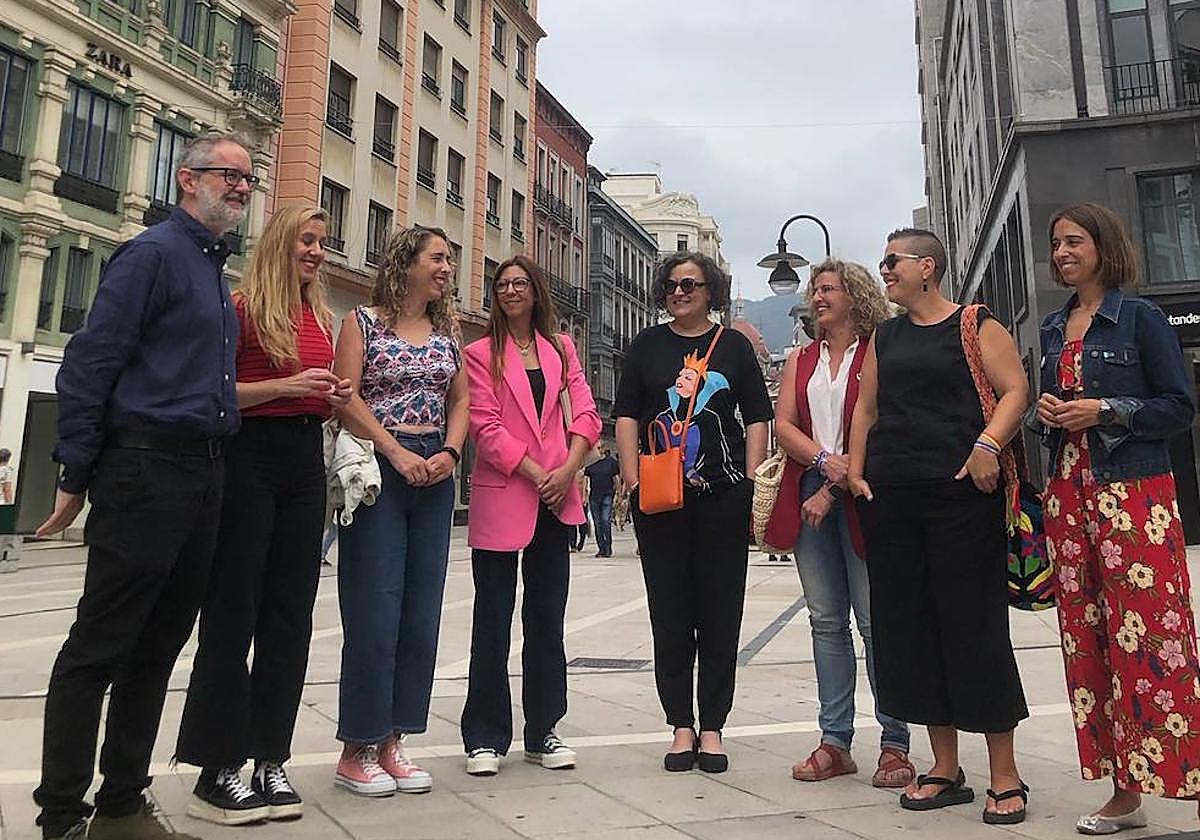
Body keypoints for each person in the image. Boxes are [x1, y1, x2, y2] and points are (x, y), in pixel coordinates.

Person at [32, 132, 251, 840]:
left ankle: (123, 801)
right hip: (144, 471)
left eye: (250, 178)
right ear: (189, 180)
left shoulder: (212, 270)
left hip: (203, 473)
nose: (244, 187)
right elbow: (92, 362)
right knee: (99, 646)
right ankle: (62, 814)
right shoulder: (152, 255)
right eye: (231, 176)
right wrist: (76, 470)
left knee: (159, 646)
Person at [174, 206, 351, 825]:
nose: (317, 252)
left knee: (290, 613)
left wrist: (328, 397)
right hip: (248, 458)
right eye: (307, 241)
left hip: (304, 458)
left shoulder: (319, 316)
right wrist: (288, 386)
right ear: (280, 244)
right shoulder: (242, 307)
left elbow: (310, 394)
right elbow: (217, 391)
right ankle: (216, 762)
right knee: (234, 609)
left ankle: (270, 755)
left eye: (321, 243)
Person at [847, 228, 1030, 824]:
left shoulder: (976, 324)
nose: (885, 271)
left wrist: (987, 443)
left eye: (891, 261)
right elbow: (867, 408)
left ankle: (1005, 773)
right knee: (912, 630)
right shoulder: (885, 335)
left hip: (961, 497)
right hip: (893, 498)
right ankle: (944, 767)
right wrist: (855, 469)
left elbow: (1015, 391)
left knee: (972, 627)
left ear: (927, 266)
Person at [1031, 203, 1200, 834]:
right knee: (1090, 639)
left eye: (1074, 241)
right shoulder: (1053, 328)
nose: (1062, 252)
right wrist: (1050, 413)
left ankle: (1188, 777)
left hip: (1133, 498)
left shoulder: (1142, 319)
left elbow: (1178, 407)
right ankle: (1125, 794)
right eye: (1055, 244)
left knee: (1156, 637)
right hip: (1069, 495)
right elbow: (1059, 411)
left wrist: (1106, 409)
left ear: (1103, 245)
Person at [614, 251, 772, 773]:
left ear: (711, 291)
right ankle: (680, 724)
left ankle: (712, 727)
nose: (679, 292)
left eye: (691, 284)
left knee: (722, 614)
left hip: (723, 498)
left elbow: (757, 418)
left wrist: (750, 481)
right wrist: (634, 481)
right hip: (659, 501)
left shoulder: (734, 349)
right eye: (672, 285)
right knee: (670, 613)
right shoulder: (646, 347)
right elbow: (628, 416)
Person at [330, 225, 468, 796]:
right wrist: (395, 451)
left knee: (420, 612)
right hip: (377, 474)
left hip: (434, 472)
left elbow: (459, 398)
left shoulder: (447, 330)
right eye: (438, 258)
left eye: (449, 261)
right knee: (374, 609)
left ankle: (395, 740)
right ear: (406, 262)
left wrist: (451, 452)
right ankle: (356, 745)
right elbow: (344, 396)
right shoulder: (361, 322)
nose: (446, 268)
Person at [768, 259, 913, 788]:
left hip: (865, 488)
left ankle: (895, 743)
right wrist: (825, 466)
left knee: (876, 621)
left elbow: (884, 423)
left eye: (829, 288)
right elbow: (784, 425)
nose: (818, 296)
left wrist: (840, 478)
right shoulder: (800, 358)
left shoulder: (879, 350)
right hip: (812, 482)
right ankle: (836, 741)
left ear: (855, 296)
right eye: (815, 289)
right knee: (826, 620)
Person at [460, 255, 601, 776]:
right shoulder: (480, 354)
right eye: (503, 284)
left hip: (556, 497)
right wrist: (535, 470)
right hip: (507, 492)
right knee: (491, 621)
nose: (512, 291)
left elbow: (586, 413)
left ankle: (544, 730)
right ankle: (484, 737)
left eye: (520, 283)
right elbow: (485, 425)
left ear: (536, 291)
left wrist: (567, 469)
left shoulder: (562, 349)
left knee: (547, 620)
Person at [585, 446, 620, 556]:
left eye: (600, 448)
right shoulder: (590, 464)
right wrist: (584, 495)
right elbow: (586, 479)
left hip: (607, 494)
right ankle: (601, 548)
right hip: (594, 496)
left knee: (605, 521)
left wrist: (618, 493)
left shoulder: (611, 462)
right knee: (597, 523)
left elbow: (616, 478)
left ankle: (608, 547)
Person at [572, 468, 590, 552]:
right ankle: (572, 544)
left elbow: (585, 486)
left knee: (582, 524)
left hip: (581, 501)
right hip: (572, 501)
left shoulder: (582, 473)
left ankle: (582, 540)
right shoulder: (570, 472)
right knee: (571, 524)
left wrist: (584, 498)